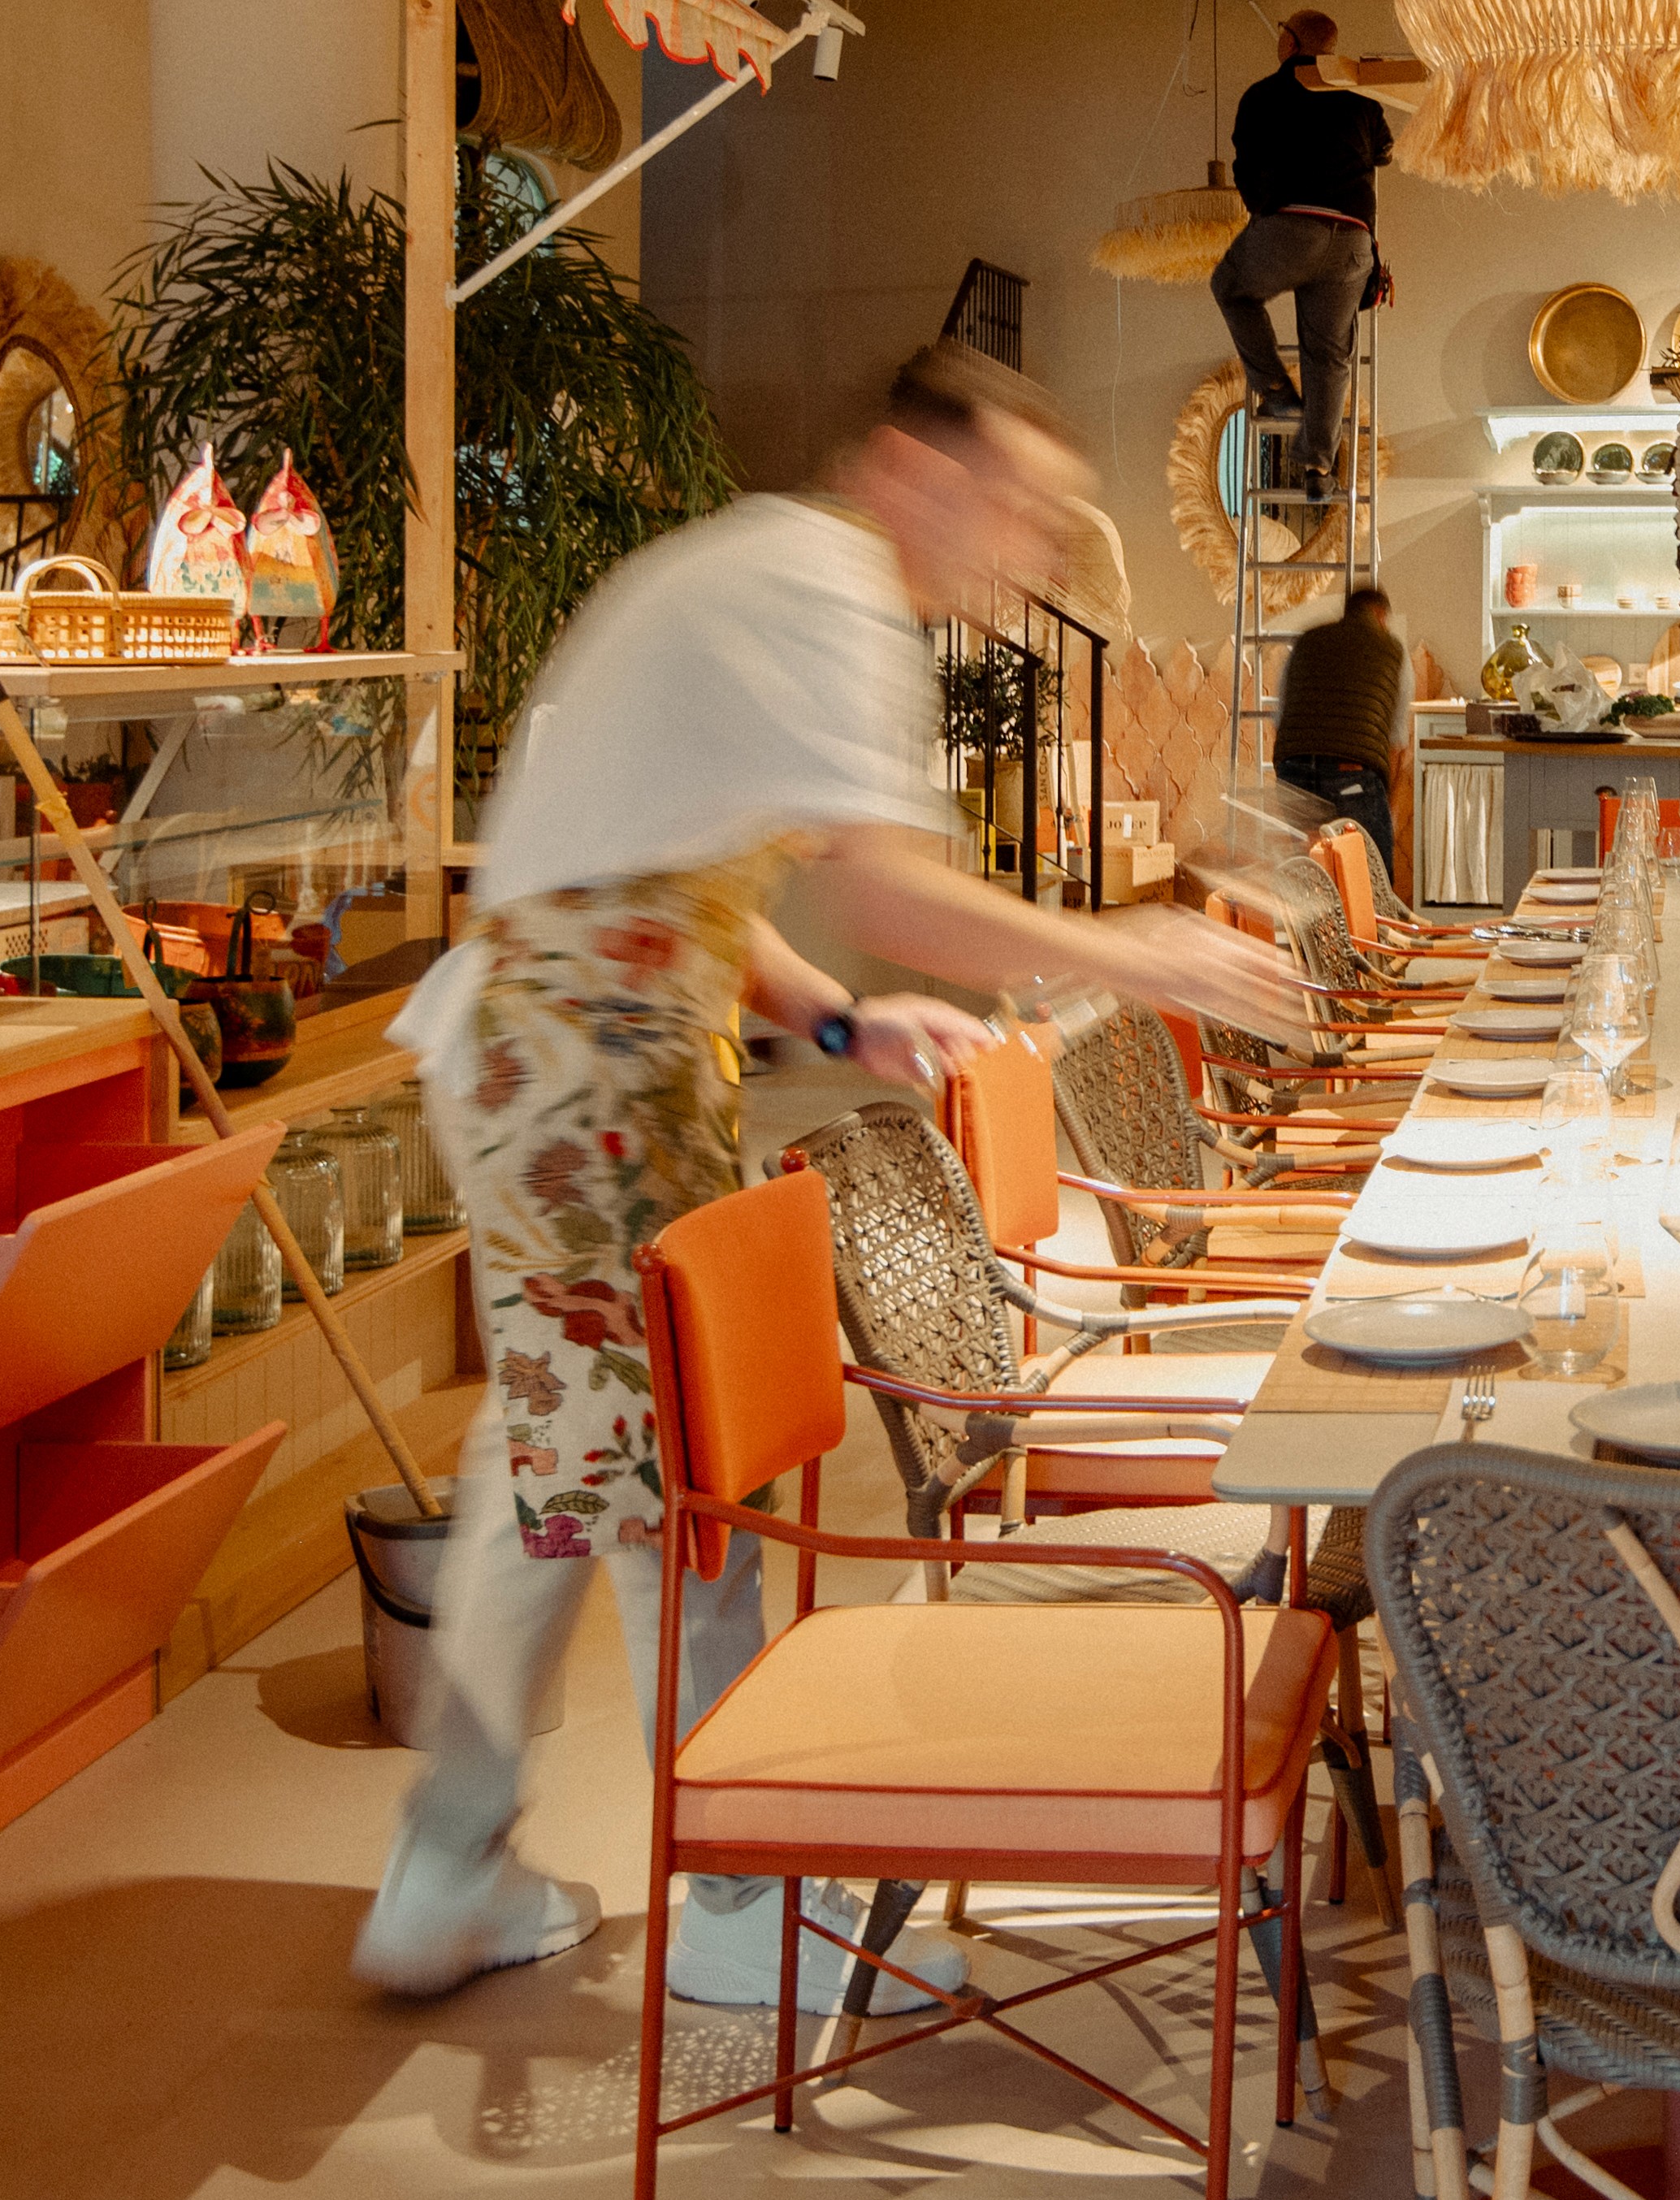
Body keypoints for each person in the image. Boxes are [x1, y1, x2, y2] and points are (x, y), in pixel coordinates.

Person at [354, 344, 1309, 2011]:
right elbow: (886, 894)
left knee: (562, 1454)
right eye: (1018, 508)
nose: (1028, 551)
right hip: (579, 1061)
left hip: (567, 1044)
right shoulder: (833, 592)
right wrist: (1138, 949)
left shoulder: (771, 569)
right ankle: (740, 1898)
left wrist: (842, 1020)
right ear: (912, 472)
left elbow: (681, 877)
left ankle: (449, 1868)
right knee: (676, 1482)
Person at [1208, 8, 1395, 494]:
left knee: (1230, 287)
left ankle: (1276, 392)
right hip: (1352, 239)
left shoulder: (1263, 95)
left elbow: (1246, 164)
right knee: (1328, 354)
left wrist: (1263, 209)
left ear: (1291, 43)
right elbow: (1384, 152)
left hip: (1292, 226)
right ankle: (1318, 468)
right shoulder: (1359, 98)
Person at [1271, 581, 1408, 871]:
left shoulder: (1307, 641)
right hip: (1351, 774)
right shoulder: (1392, 650)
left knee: (1311, 875)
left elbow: (1280, 717)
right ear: (1381, 615)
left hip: (1293, 771)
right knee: (1371, 877)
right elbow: (1396, 741)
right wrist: (1388, 805)